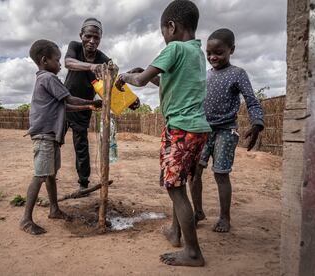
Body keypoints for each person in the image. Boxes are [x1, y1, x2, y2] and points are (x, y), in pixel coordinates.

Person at [115, 0, 211, 267]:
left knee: (175, 189)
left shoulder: (174, 49)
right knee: (179, 183)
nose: (164, 38)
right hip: (198, 129)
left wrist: (125, 76)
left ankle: (193, 252)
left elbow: (143, 80)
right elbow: (167, 80)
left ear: (171, 27)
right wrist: (144, 75)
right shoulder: (196, 53)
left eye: (163, 33)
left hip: (180, 129)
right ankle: (175, 231)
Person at [20, 39, 102, 235]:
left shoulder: (46, 79)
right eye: (57, 60)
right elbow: (69, 99)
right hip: (45, 135)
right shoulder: (48, 78)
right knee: (40, 175)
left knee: (50, 175)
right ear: (44, 60)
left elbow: (66, 105)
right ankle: (25, 219)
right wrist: (92, 101)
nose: (59, 64)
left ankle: (54, 209)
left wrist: (89, 106)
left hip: (51, 136)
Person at [190, 28, 264, 233]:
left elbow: (251, 100)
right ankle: (197, 212)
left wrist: (257, 122)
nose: (213, 57)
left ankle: (224, 218)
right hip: (203, 130)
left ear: (232, 49)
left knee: (221, 174)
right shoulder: (205, 76)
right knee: (194, 173)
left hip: (226, 131)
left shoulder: (237, 74)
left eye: (219, 53)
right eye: (209, 53)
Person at [64, 18, 139, 191]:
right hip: (65, 101)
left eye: (96, 38)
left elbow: (113, 83)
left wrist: (130, 100)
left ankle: (83, 184)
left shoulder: (103, 58)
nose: (92, 41)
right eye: (88, 36)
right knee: (54, 141)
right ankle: (48, 179)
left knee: (81, 146)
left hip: (85, 106)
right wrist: (92, 67)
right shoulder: (75, 47)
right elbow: (68, 63)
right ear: (81, 35)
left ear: (100, 38)